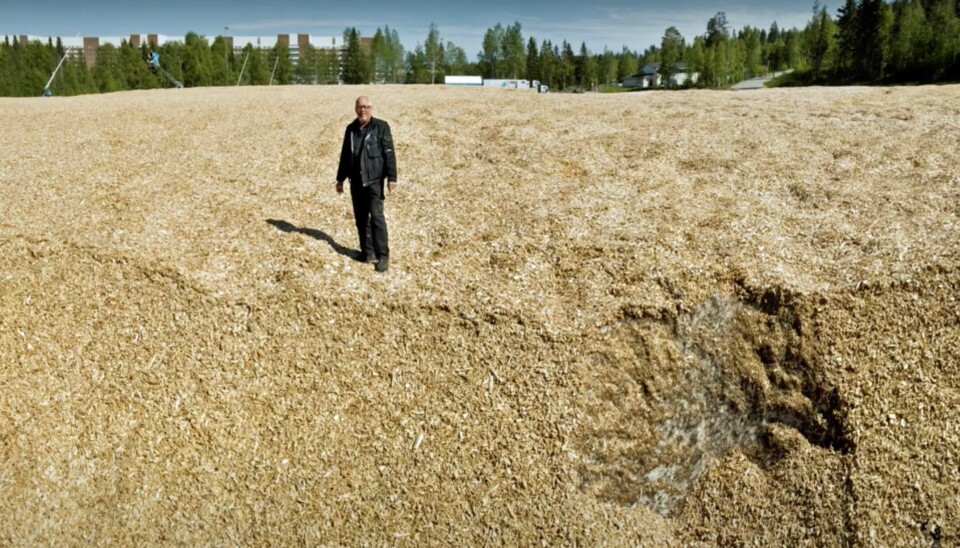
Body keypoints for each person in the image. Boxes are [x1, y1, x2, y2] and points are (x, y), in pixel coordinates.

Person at [336, 96, 398, 273]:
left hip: (373, 181)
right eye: (359, 107)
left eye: (366, 107)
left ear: (371, 108)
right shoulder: (351, 129)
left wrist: (392, 178)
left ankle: (383, 256)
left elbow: (389, 153)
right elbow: (345, 156)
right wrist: (340, 178)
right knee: (361, 218)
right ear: (355, 109)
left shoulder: (381, 127)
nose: (363, 110)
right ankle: (367, 252)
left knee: (377, 218)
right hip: (355, 181)